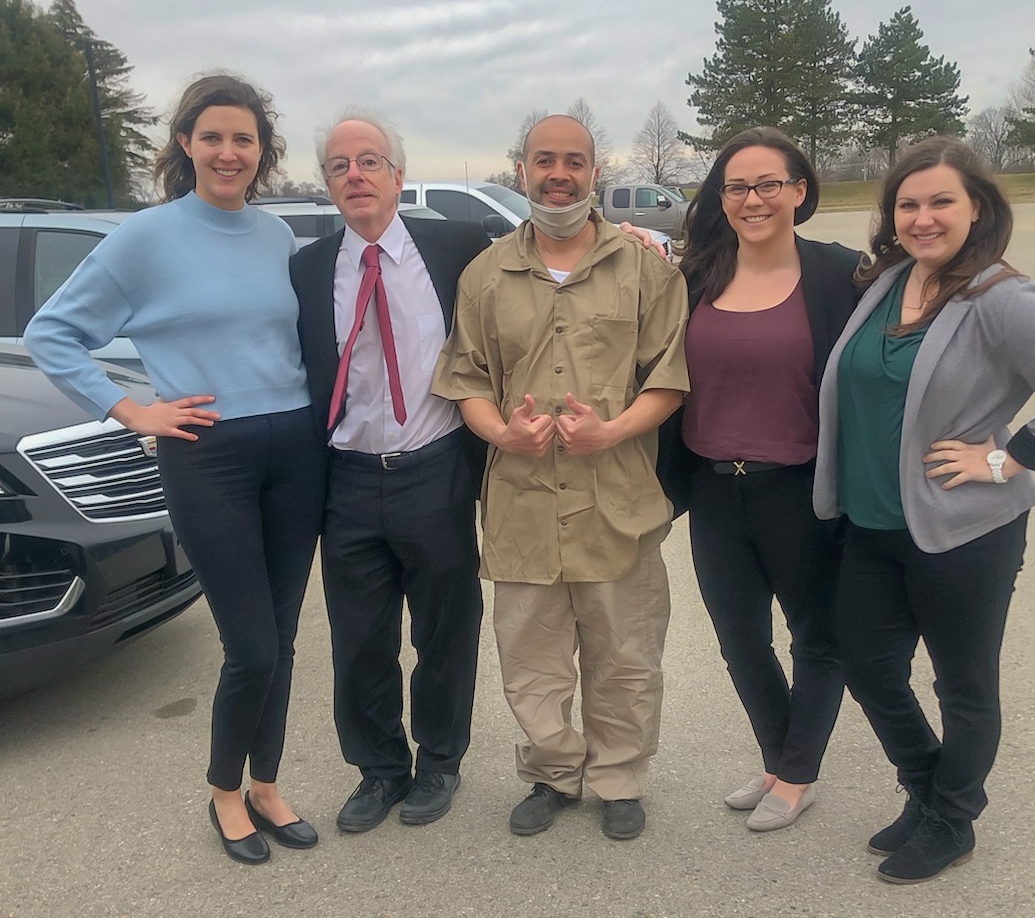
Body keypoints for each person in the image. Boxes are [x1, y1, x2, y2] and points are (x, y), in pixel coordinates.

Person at [24, 74, 327, 865]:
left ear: (263, 153)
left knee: (284, 637)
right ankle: (225, 790)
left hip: (295, 449)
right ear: (186, 144)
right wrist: (130, 411)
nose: (230, 153)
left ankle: (266, 783)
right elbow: (53, 333)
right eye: (214, 137)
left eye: (245, 139)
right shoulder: (143, 237)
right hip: (209, 455)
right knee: (250, 644)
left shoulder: (272, 236)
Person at [813, 137, 1035, 883]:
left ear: (976, 207)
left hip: (965, 530)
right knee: (869, 667)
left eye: (941, 201)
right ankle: (925, 789)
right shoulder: (885, 282)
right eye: (908, 204)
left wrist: (1009, 458)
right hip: (871, 525)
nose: (923, 217)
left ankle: (953, 818)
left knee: (964, 684)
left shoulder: (1000, 296)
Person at [432, 114, 689, 841]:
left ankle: (619, 777)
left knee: (626, 653)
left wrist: (610, 431)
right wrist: (502, 433)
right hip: (521, 506)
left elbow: (668, 380)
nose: (559, 174)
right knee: (533, 658)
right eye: (545, 160)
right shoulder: (485, 277)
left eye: (574, 161)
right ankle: (552, 773)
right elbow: (467, 381)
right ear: (522, 171)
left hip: (618, 501)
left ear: (594, 171)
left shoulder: (645, 269)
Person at [289, 109, 490, 834]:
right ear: (328, 186)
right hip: (345, 476)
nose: (355, 175)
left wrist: (632, 241)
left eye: (369, 161)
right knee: (359, 637)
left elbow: (543, 266)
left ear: (398, 177)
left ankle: (439, 760)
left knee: (444, 629)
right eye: (340, 166)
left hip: (433, 467)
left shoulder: (458, 246)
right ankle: (379, 769)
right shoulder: (309, 268)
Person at [669, 127, 858, 832]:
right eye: (737, 187)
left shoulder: (841, 274)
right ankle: (782, 760)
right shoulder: (698, 275)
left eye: (768, 184)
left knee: (816, 635)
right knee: (739, 639)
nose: (752, 199)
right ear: (722, 198)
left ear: (800, 190)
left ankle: (797, 772)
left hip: (800, 489)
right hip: (714, 488)